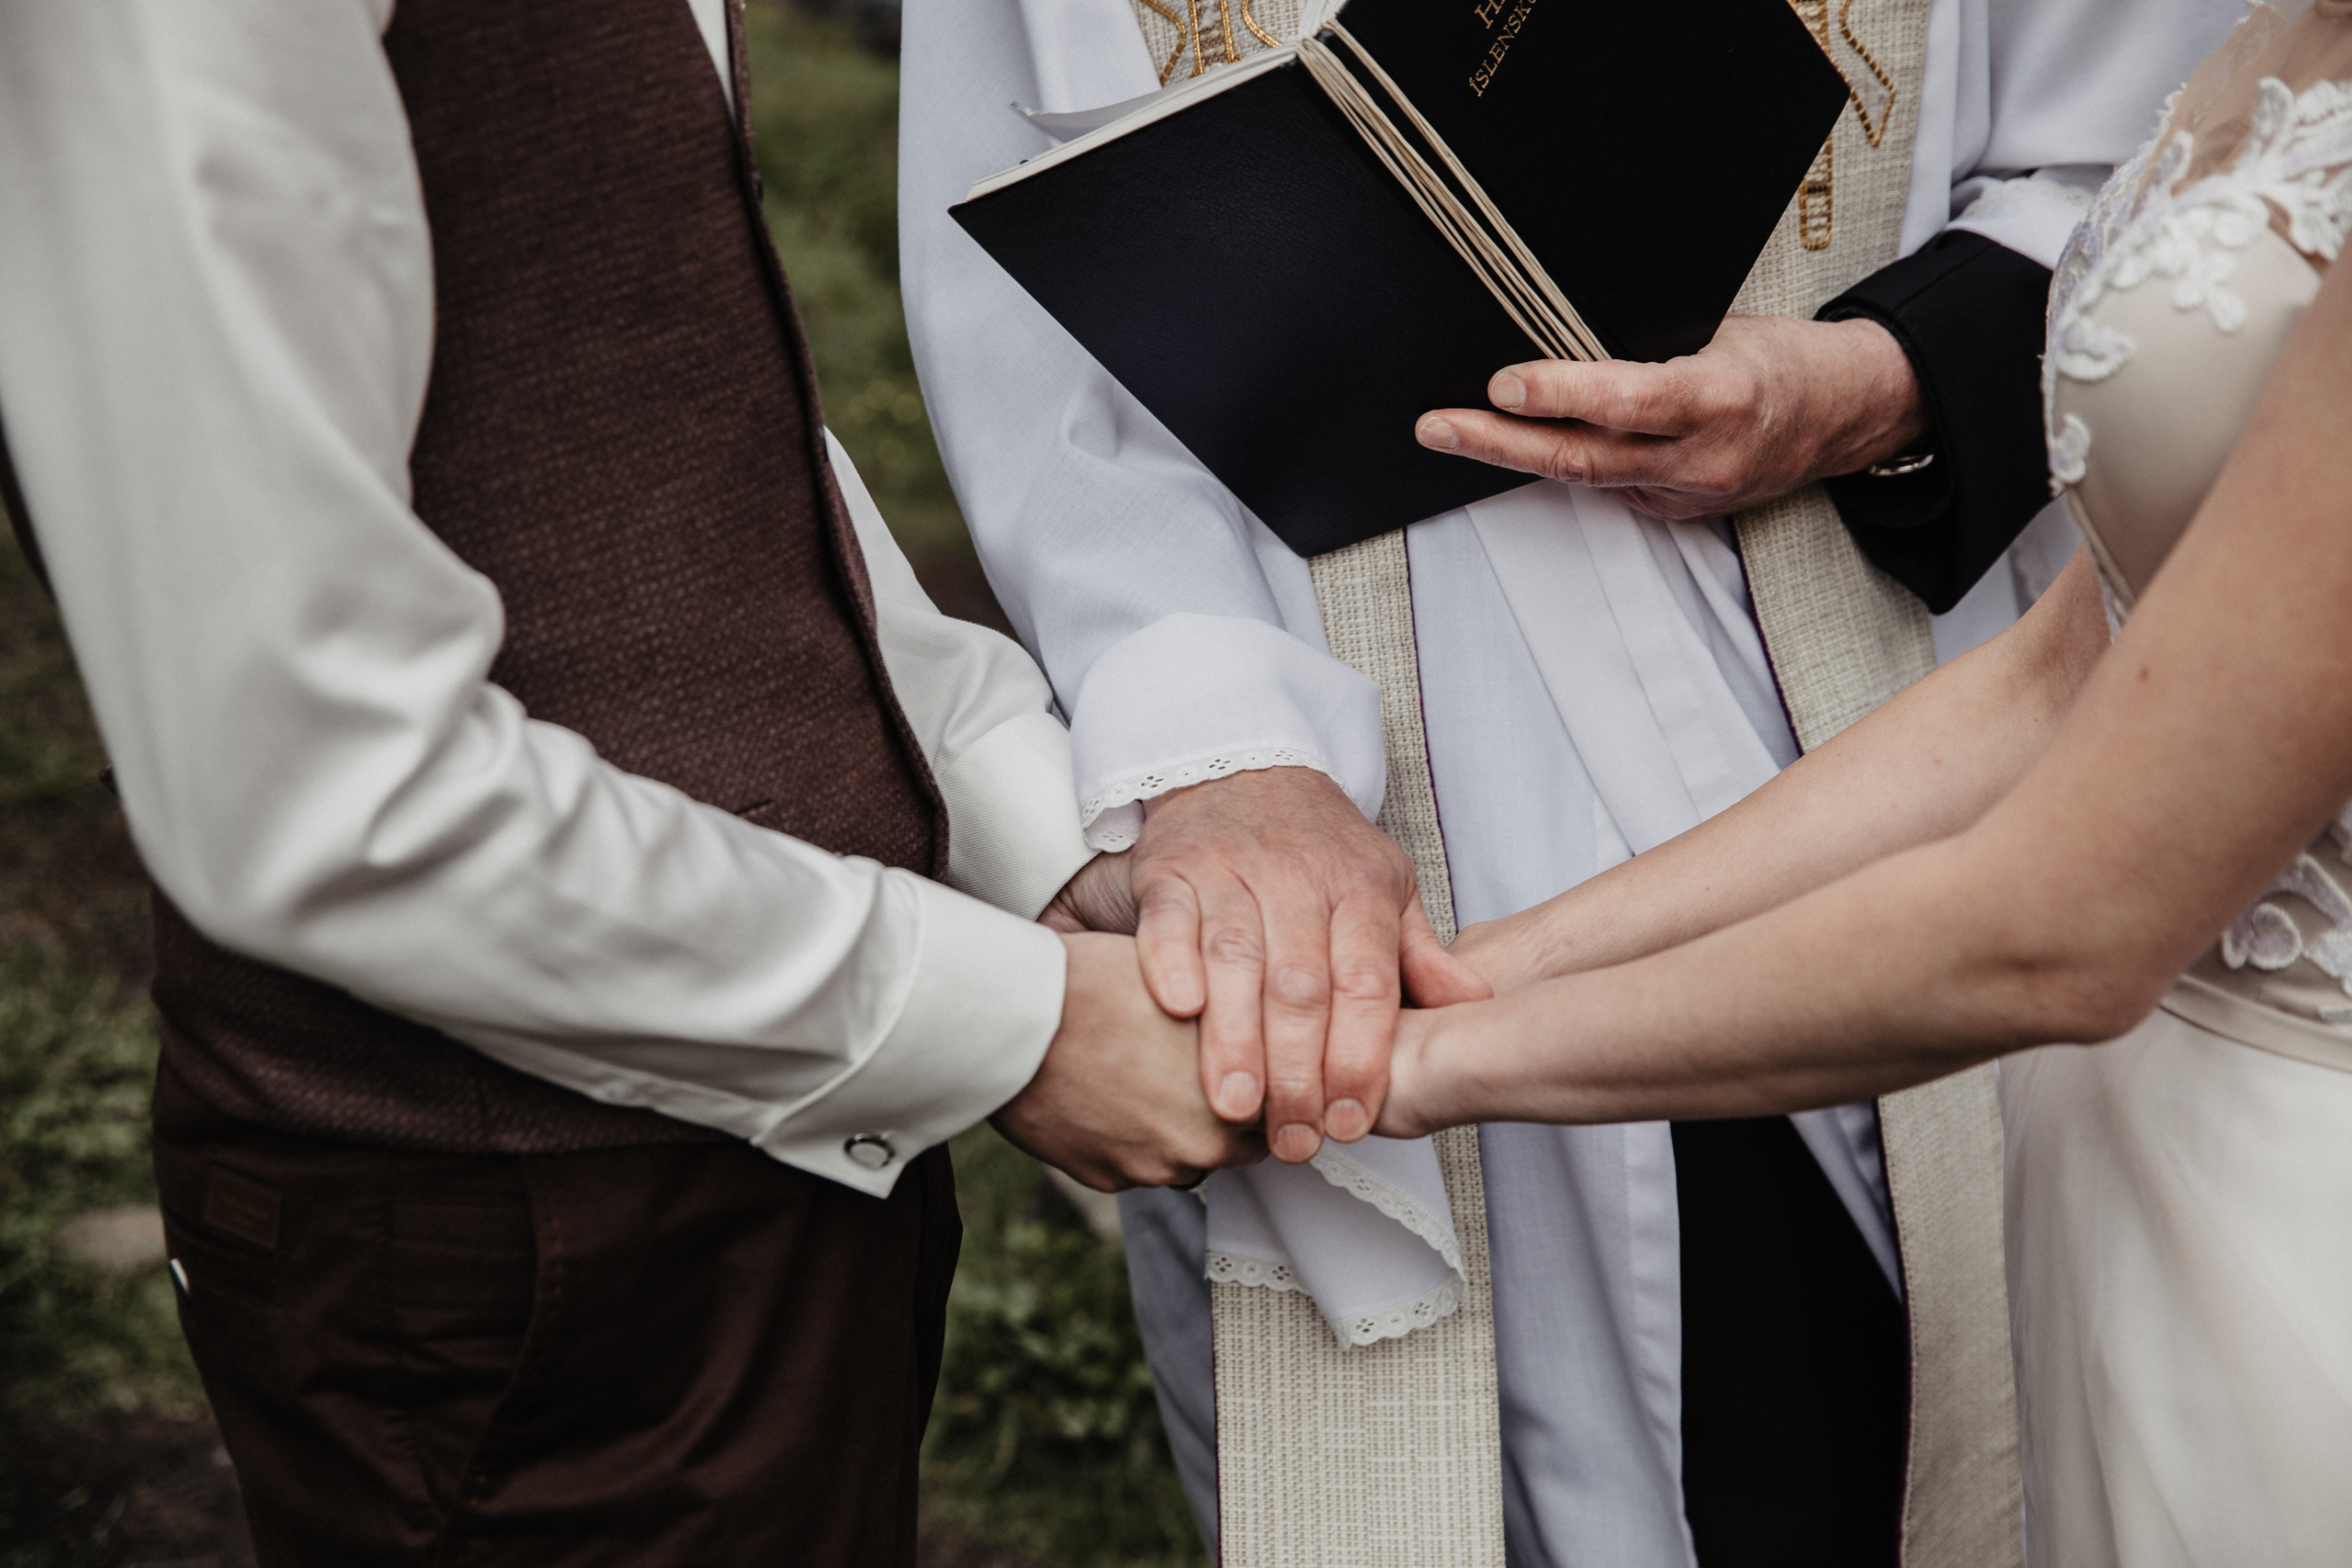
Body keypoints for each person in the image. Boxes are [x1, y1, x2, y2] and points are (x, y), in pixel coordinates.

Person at [899, 0, 2239, 1562]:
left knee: (1906, 1408)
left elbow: (2163, 163)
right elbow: (1030, 319)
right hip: (1329, 720)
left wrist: (1882, 380)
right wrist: (1220, 751)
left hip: (1870, 669)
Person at [0, 2, 1260, 1563]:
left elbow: (648, 392)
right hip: (509, 1243)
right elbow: (302, 772)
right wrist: (1011, 1022)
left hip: (770, 1160)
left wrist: (1021, 828)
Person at [1382, 6, 2352, 1562]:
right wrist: (1464, 978)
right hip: (2120, 1162)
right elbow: (2073, 669)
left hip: (2300, 1191)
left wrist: (1388, 1078)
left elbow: (2070, 924)